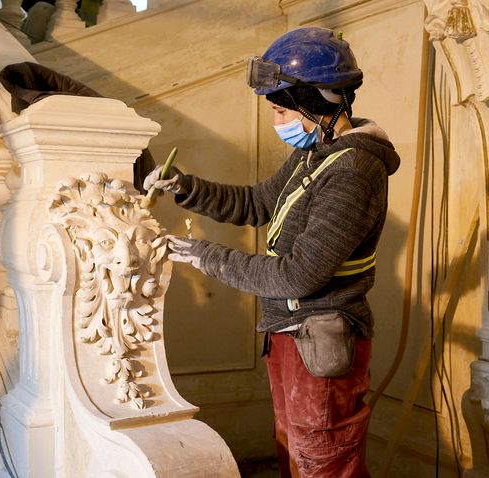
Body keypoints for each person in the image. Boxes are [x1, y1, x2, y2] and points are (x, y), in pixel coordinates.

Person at [144, 27, 400, 477]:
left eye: (282, 110)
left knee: (322, 461)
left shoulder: (354, 169)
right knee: (294, 451)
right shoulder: (318, 152)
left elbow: (296, 276)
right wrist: (184, 187)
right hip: (290, 333)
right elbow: (257, 203)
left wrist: (208, 257)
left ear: (315, 104)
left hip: (320, 336)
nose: (277, 121)